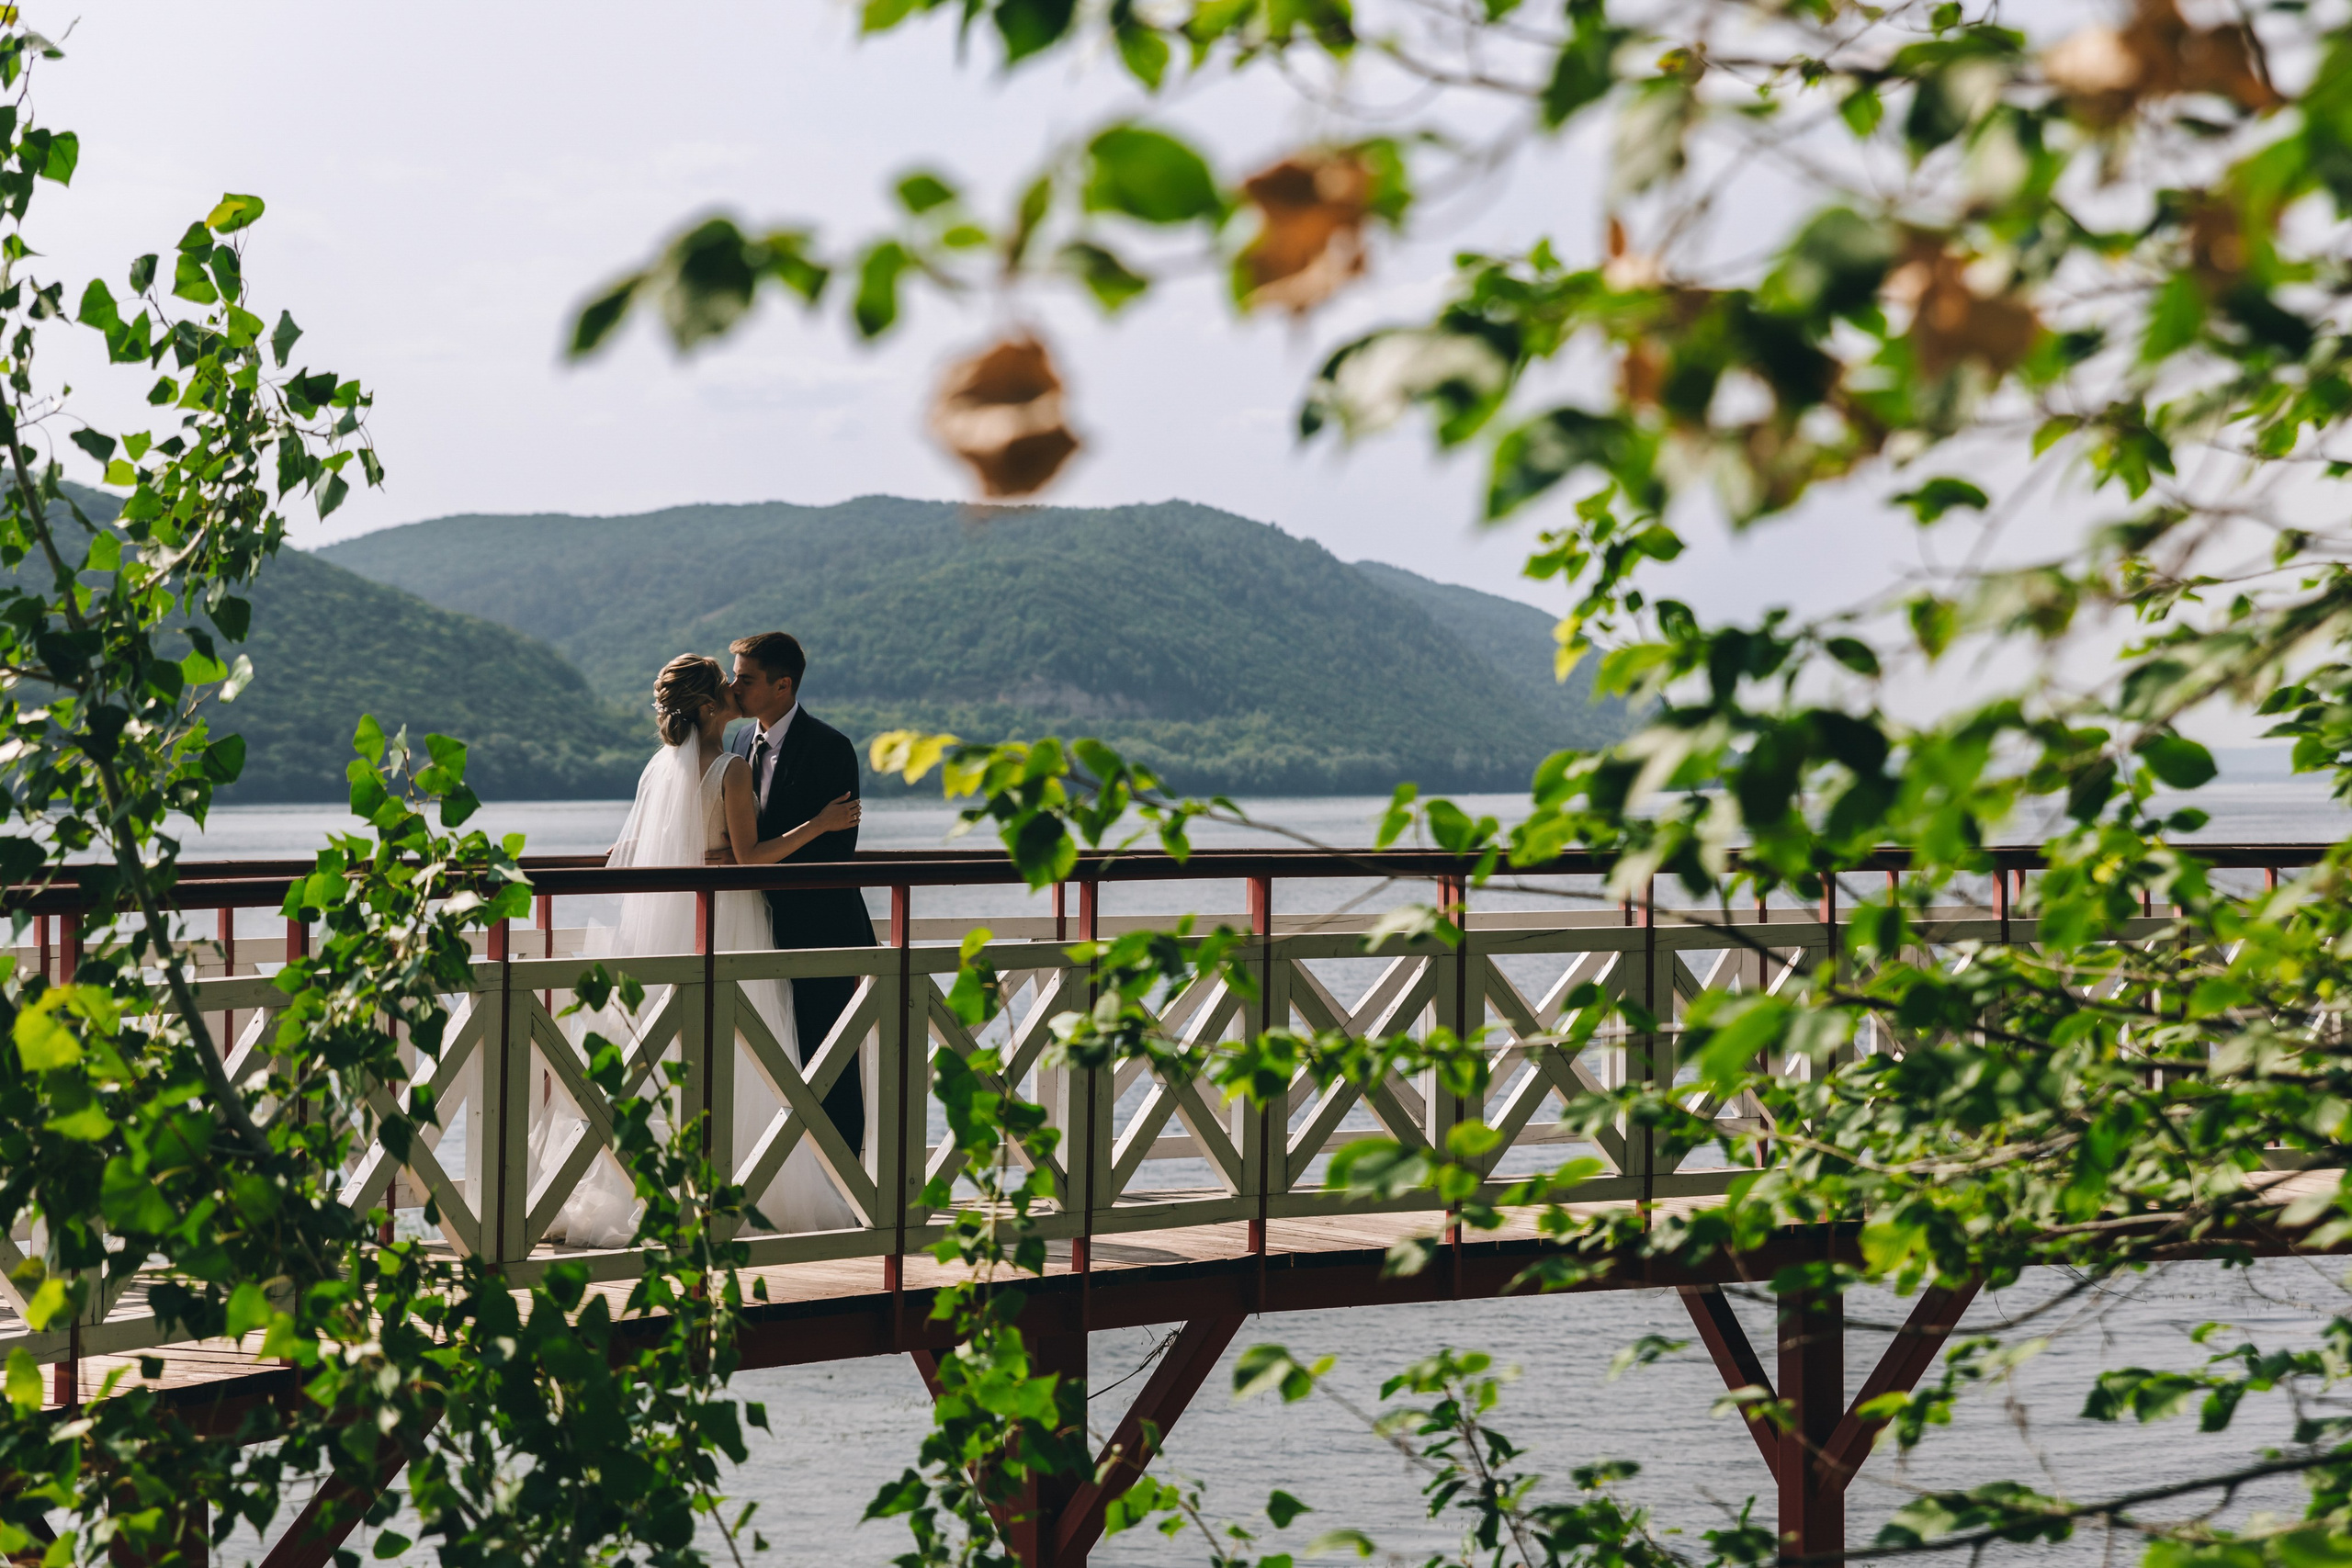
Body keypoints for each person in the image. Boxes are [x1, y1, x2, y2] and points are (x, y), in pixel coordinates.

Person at [532, 653, 862, 1247]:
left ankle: (656, 1187)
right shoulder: (731, 767)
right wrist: (821, 823)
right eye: (726, 683)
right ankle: (738, 1187)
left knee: (666, 1050)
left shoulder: (661, 766)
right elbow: (752, 856)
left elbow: (637, 844)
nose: (736, 689)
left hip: (674, 924)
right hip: (728, 919)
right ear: (710, 706)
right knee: (742, 1046)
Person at [715, 631, 875, 1158]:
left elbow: (835, 851)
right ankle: (784, 1182)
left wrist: (758, 861)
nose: (734, 685)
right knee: (769, 1067)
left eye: (747, 677)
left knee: (829, 1063)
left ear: (783, 686)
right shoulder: (737, 745)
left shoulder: (831, 748)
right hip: (754, 929)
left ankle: (847, 1189)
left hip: (819, 927)